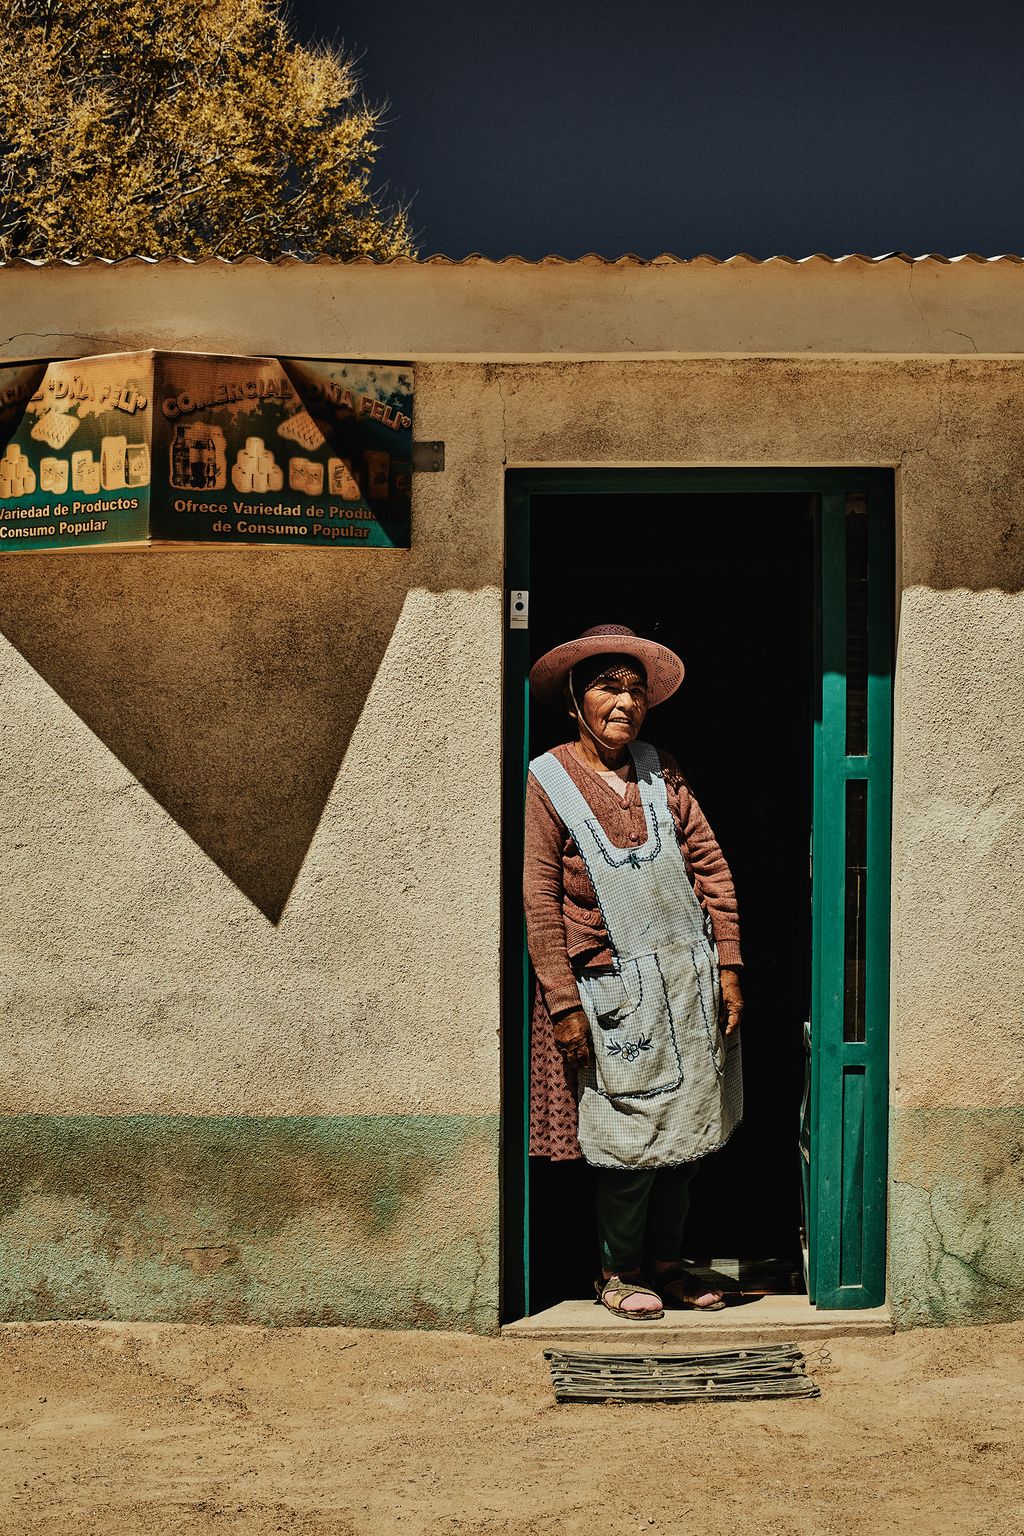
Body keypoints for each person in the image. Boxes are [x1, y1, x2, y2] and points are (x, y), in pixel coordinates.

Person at [523, 622, 744, 1318]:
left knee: (688, 1135)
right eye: (607, 690)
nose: (624, 704)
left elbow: (709, 864)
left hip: (690, 978)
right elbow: (539, 896)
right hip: (610, 991)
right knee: (628, 1140)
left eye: (635, 693)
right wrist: (562, 1003)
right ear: (574, 702)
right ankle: (616, 1272)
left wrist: (730, 965)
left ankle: (669, 1264)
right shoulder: (549, 778)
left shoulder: (662, 769)